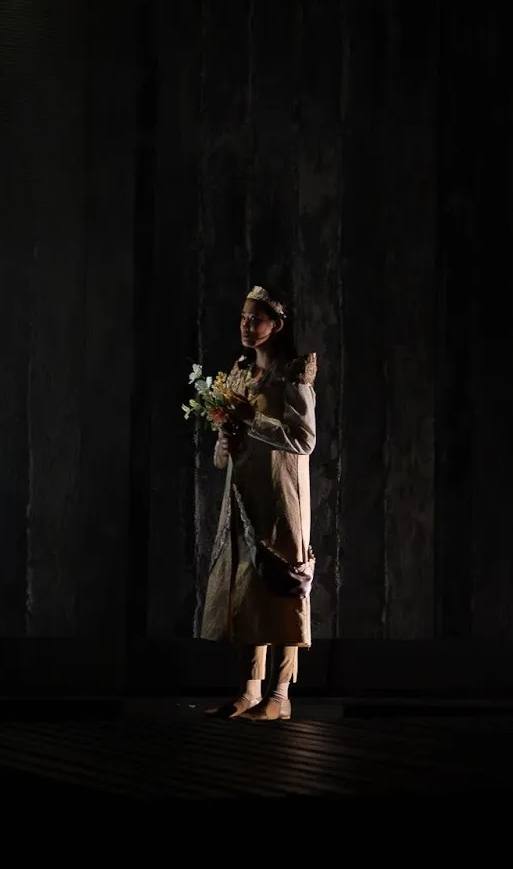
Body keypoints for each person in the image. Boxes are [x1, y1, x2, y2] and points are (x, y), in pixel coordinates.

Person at [200, 285, 318, 721]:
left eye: (257, 319)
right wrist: (226, 444)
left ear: (277, 325)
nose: (248, 327)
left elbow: (303, 440)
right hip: (245, 494)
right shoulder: (239, 373)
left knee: (283, 584)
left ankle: (280, 694)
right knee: (249, 587)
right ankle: (249, 691)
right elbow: (223, 446)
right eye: (244, 319)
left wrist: (255, 420)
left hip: (281, 494)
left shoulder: (293, 374)